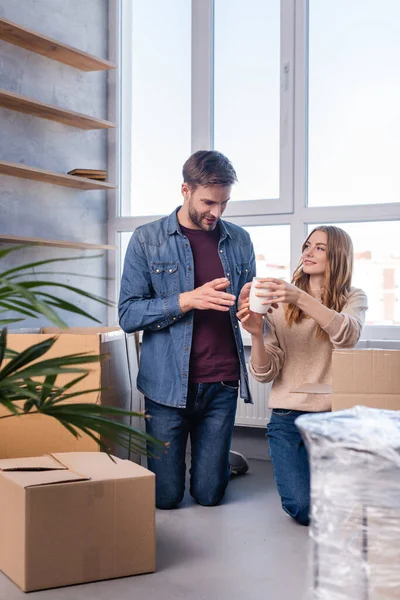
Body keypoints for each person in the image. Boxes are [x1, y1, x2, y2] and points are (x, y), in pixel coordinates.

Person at [119, 150, 256, 509]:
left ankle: (221, 463)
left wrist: (253, 307)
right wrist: (186, 300)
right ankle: (219, 461)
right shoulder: (147, 239)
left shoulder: (239, 240)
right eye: (209, 202)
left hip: (222, 381)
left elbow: (249, 306)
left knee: (209, 496)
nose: (216, 213)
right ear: (185, 189)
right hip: (165, 384)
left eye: (224, 204)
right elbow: (128, 314)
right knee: (165, 499)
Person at [237, 226, 368, 526]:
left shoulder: (354, 298)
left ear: (338, 256)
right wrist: (257, 335)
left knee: (352, 505)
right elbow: (264, 372)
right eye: (307, 246)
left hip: (335, 418)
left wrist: (300, 297)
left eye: (319, 248)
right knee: (303, 508)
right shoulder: (279, 304)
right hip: (288, 419)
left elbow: (346, 335)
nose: (308, 252)